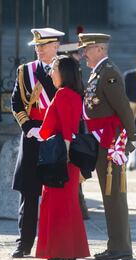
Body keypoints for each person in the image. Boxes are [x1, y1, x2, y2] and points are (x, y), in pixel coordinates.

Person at [78, 33, 136, 260]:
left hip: (111, 142)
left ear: (100, 49)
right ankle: (119, 244)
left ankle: (119, 247)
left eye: (87, 49)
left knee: (113, 195)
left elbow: (122, 107)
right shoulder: (98, 72)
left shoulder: (108, 73)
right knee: (110, 194)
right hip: (102, 140)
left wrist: (130, 138)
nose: (84, 53)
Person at [10, 27, 64, 258]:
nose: (39, 50)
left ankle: (54, 243)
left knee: (55, 191)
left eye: (44, 46)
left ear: (56, 46)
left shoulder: (68, 69)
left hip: (54, 136)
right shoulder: (25, 71)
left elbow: (69, 102)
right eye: (37, 47)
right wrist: (28, 127)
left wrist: (48, 81)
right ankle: (24, 243)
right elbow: (16, 103)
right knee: (29, 191)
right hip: (32, 135)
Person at [35, 55, 90, 260]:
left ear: (63, 73)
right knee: (66, 205)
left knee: (58, 205)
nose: (50, 74)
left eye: (54, 70)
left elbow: (67, 130)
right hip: (63, 155)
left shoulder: (64, 94)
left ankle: (61, 251)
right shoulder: (70, 93)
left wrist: (63, 159)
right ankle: (68, 249)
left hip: (61, 156)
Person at [57, 42, 89, 220]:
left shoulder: (75, 73)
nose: (80, 56)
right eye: (76, 53)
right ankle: (79, 206)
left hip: (76, 127)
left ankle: (79, 205)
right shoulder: (70, 73)